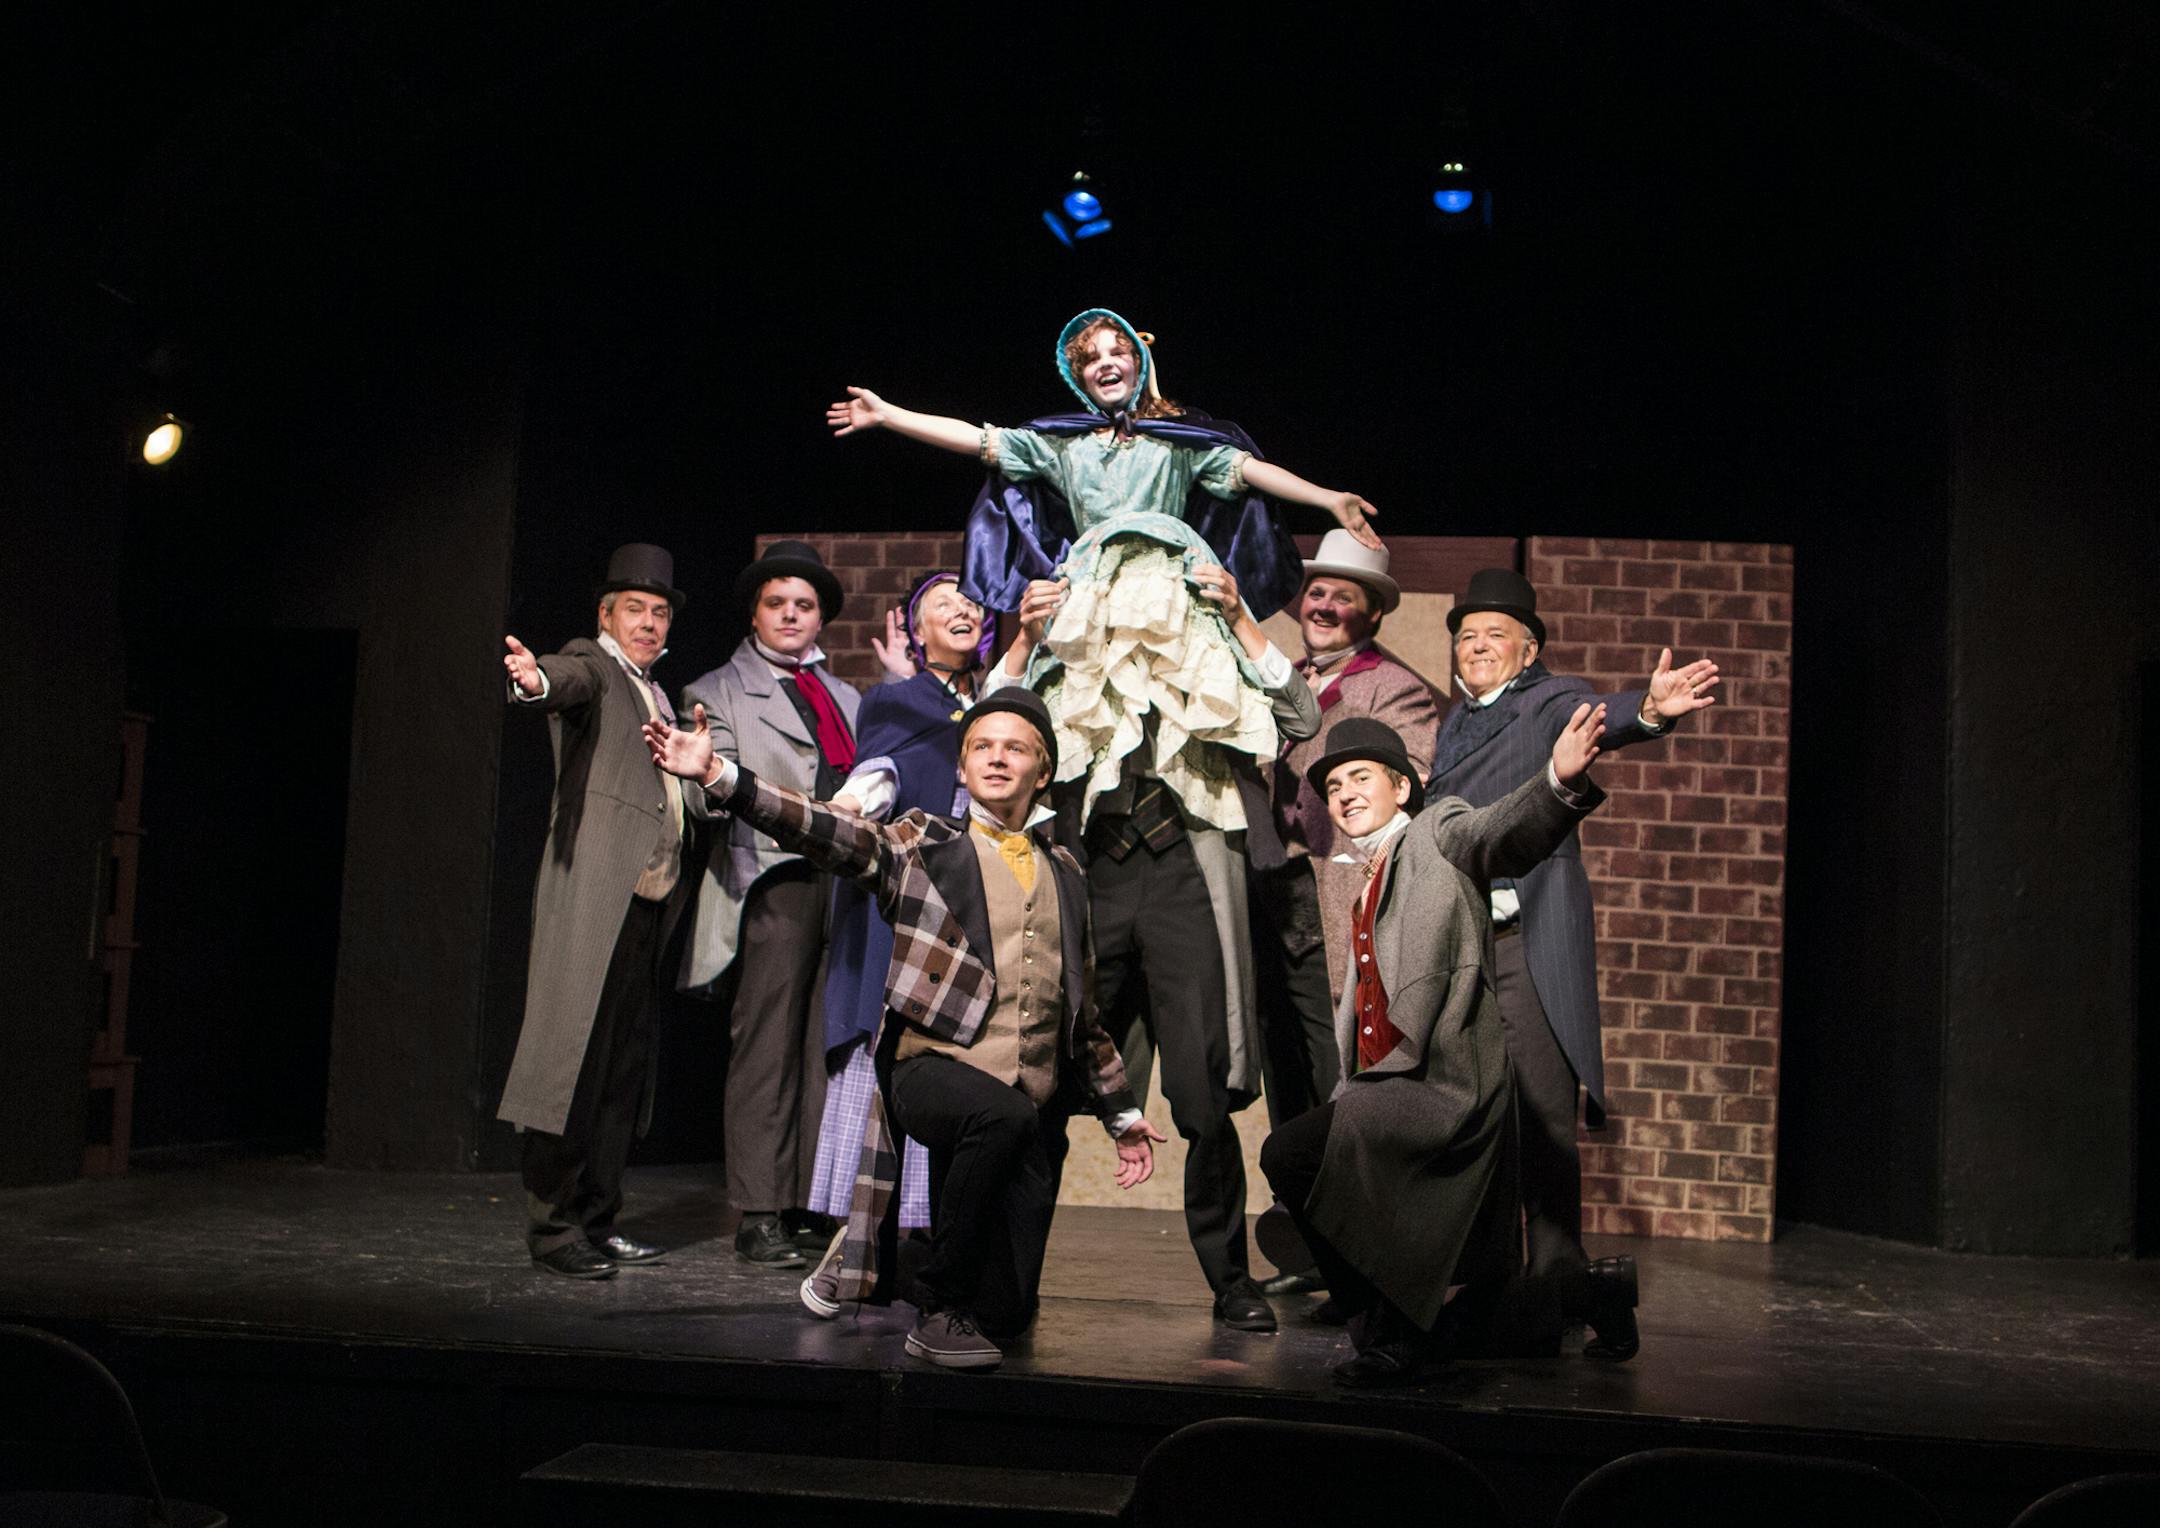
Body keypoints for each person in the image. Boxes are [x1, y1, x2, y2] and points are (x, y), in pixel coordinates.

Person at [644, 688, 1166, 1370]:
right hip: (931, 1068)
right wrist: (725, 779)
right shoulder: (924, 843)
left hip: (1026, 1091)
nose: (996, 759)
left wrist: (1121, 1112)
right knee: (999, 1119)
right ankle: (938, 1309)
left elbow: (1083, 1011)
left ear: (1044, 771)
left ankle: (877, 1266)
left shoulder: (1065, 872)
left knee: (1009, 1312)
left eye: (1015, 748)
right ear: (961, 767)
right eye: (982, 746)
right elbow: (826, 830)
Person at [826, 306, 1375, 835]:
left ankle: (1195, 808)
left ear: (1139, 362)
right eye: (1091, 357)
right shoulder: (1064, 446)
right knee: (1080, 698)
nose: (1106, 362)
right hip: (1094, 589)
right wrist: (888, 415)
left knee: (1189, 695)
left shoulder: (1177, 442)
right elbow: (979, 438)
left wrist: (1327, 498)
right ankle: (1089, 813)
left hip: (1167, 588)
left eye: (1119, 350)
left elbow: (1250, 470)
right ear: (1078, 376)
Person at [1258, 713, 1641, 1387]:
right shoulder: (1364, 879)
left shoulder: (1436, 834)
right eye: (1334, 785)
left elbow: (1497, 830)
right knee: (1457, 1325)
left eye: (1360, 778)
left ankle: (1387, 1333)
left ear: (1402, 788)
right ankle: (1585, 1295)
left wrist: (1557, 781)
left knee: (1290, 1152)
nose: (1344, 793)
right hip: (1393, 1090)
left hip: (1443, 1087)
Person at [1429, 568, 1720, 1277]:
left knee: (1543, 1115)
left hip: (1527, 938)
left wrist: (1649, 713)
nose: (1477, 646)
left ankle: (1559, 1282)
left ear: (1529, 652)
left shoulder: (1545, 700)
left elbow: (1599, 714)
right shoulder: (1452, 723)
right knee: (1474, 1113)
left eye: (1495, 635)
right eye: (1466, 637)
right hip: (1465, 942)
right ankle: (1488, 1282)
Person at [497, 543, 705, 1279]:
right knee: (571, 1063)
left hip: (646, 906)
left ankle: (597, 1216)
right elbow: (564, 678)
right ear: (606, 615)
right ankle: (552, 1229)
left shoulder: (660, 692)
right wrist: (534, 678)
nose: (649, 623)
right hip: (593, 900)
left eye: (659, 613)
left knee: (622, 1073)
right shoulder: (595, 663)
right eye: (635, 610)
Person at [1245, 530, 1440, 1295]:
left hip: (1335, 898)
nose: (1323, 605)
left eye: (1342, 598)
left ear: (1372, 617)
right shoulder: (1277, 673)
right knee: (1285, 1074)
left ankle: (1360, 1262)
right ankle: (1310, 1251)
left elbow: (1408, 782)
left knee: (1338, 1081)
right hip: (1272, 895)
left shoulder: (1395, 687)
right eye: (1316, 593)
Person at [800, 570, 991, 1313]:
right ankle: (858, 1256)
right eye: (942, 605)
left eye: (971, 602)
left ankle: (938, 1262)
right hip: (910, 909)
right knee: (888, 1072)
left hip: (976, 914)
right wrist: (846, 808)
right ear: (914, 631)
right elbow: (877, 771)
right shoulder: (896, 698)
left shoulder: (995, 700)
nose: (962, 610)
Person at [677, 540, 865, 1268]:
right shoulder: (716, 689)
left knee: (828, 1047)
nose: (791, 615)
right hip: (774, 880)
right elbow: (707, 793)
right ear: (755, 613)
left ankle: (811, 1204)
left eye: (805, 606)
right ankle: (759, 1210)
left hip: (844, 886)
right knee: (767, 1048)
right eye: (777, 603)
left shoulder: (846, 697)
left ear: (821, 619)